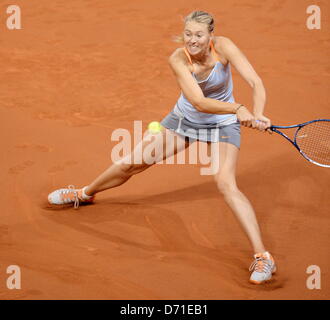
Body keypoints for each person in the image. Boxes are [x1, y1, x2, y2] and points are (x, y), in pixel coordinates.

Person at [48, 11, 276, 284]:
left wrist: (258, 113)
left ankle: (263, 256)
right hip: (185, 120)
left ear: (210, 36)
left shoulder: (224, 47)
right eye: (188, 34)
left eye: (199, 35)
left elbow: (255, 81)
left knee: (226, 183)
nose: (192, 40)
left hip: (223, 125)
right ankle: (84, 193)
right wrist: (238, 108)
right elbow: (199, 102)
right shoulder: (178, 59)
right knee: (131, 163)